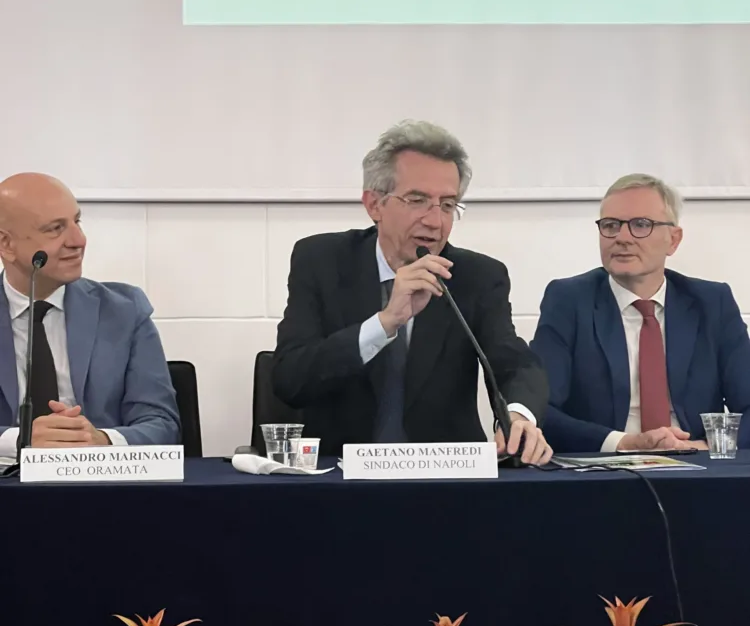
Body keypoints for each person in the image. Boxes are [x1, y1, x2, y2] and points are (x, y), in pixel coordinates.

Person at [273, 121, 551, 462]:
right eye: (417, 200)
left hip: (445, 477)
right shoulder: (321, 261)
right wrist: (384, 323)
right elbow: (290, 380)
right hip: (339, 476)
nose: (435, 222)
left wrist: (518, 415)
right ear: (374, 204)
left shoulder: (477, 277)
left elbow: (515, 363)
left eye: (447, 205)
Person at [531, 174, 750, 453]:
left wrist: (702, 446)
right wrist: (624, 443)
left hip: (696, 463)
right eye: (610, 225)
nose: (622, 238)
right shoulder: (568, 300)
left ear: (673, 240)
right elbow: (540, 409)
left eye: (641, 225)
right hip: (605, 466)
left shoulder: (712, 303)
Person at [0, 173, 180, 451]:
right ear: (6, 244)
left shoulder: (124, 310)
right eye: (55, 229)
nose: (78, 240)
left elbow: (163, 424)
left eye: (77, 221)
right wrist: (20, 440)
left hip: (100, 475)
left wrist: (101, 440)